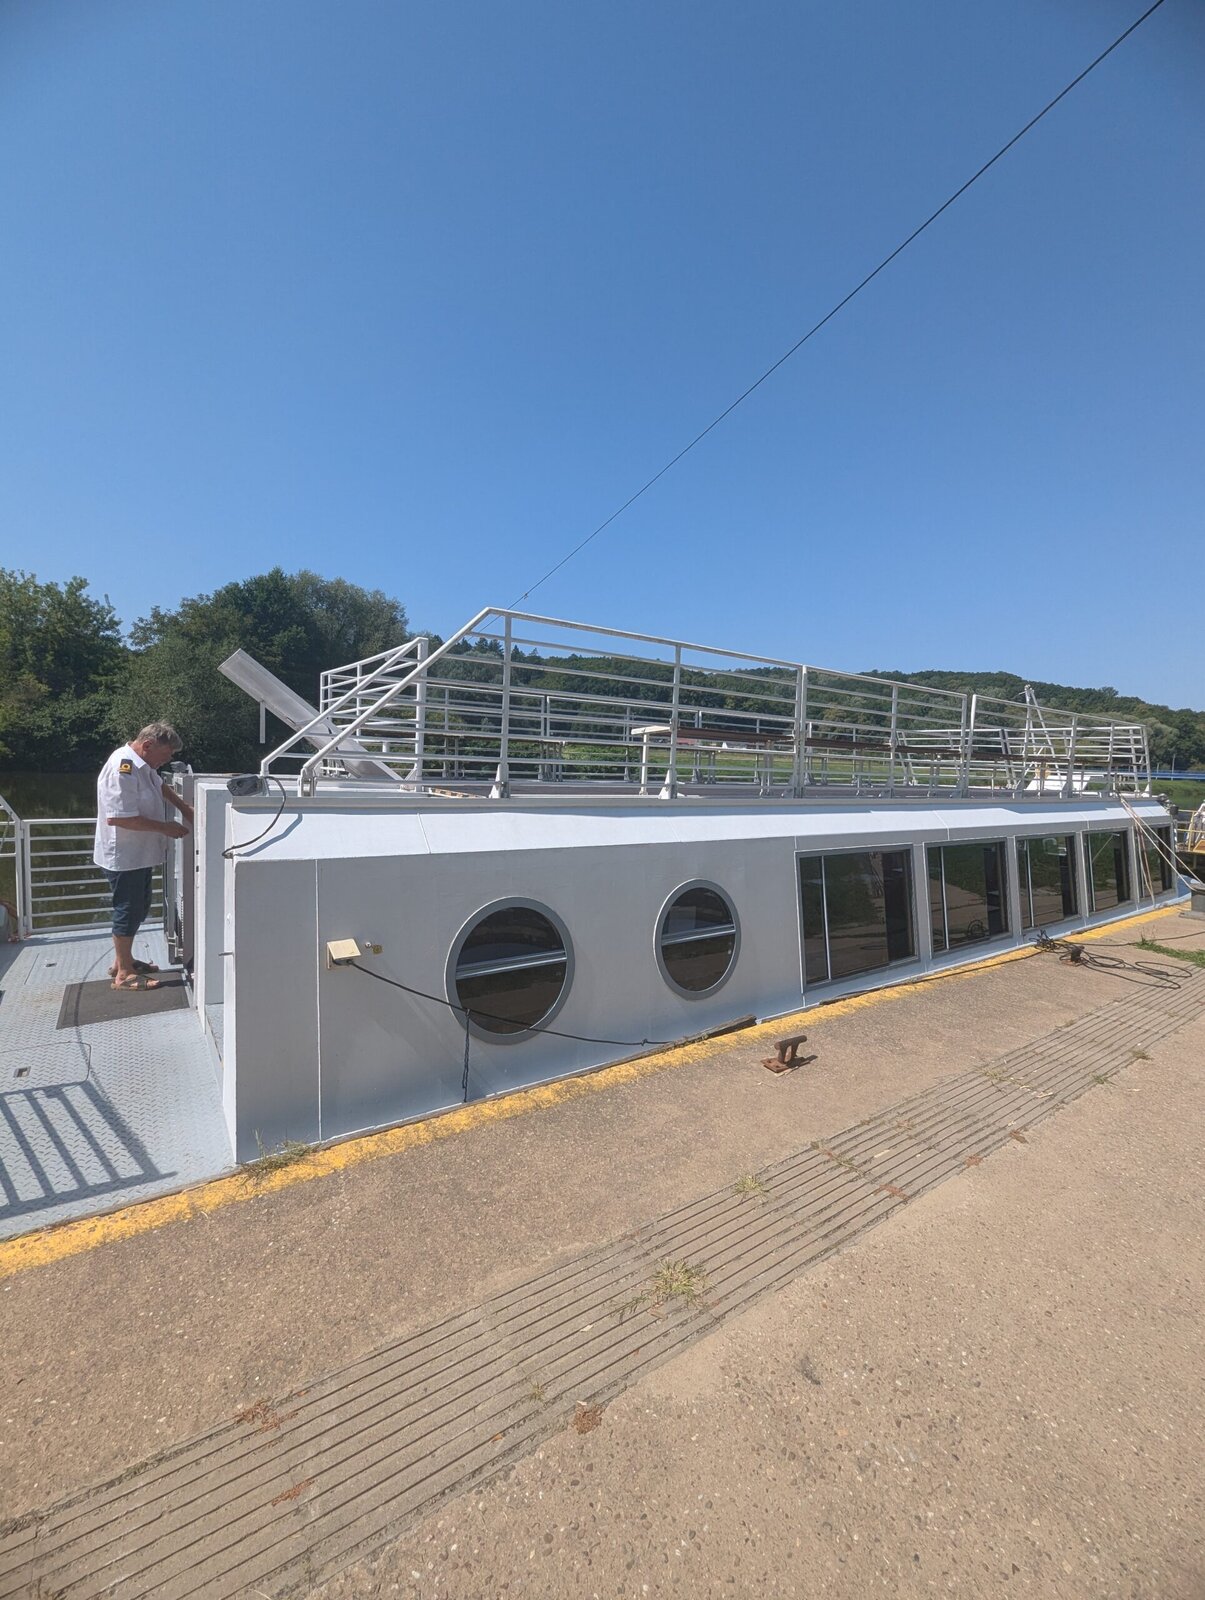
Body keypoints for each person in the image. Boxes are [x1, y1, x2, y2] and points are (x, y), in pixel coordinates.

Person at [93, 721, 193, 991]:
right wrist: (166, 828)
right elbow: (118, 818)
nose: (167, 760)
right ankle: (124, 975)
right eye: (166, 754)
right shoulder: (122, 767)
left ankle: (122, 961)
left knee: (139, 906)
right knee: (127, 910)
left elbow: (159, 786)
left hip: (139, 855)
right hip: (124, 856)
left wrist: (185, 808)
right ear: (148, 745)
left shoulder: (143, 765)